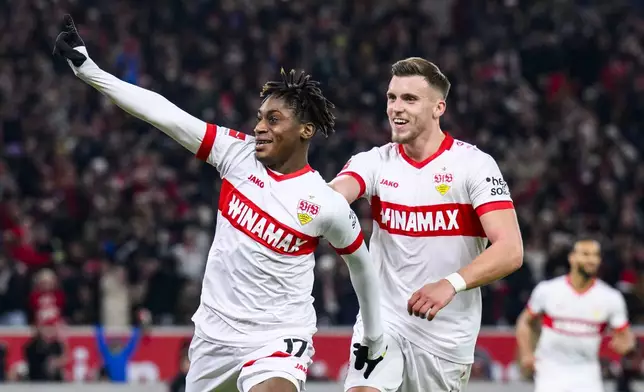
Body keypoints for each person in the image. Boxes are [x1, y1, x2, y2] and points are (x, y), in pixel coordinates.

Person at [53, 15, 386, 392]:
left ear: (305, 131)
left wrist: (374, 336)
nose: (260, 126)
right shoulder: (235, 154)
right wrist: (90, 71)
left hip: (278, 338)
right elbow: (164, 113)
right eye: (260, 117)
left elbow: (362, 267)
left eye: (274, 120)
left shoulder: (325, 203)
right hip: (213, 337)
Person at [329, 57, 524, 392]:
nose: (396, 108)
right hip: (383, 322)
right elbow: (332, 198)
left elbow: (510, 250)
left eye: (409, 99)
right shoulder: (374, 162)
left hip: (446, 338)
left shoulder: (474, 165)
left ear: (438, 108)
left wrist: (451, 283)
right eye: (392, 98)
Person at [515, 238, 636, 392]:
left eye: (595, 255)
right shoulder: (547, 290)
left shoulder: (610, 298)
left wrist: (626, 345)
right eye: (585, 254)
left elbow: (626, 336)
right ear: (572, 257)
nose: (591, 260)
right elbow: (524, 322)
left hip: (588, 374)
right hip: (550, 371)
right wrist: (526, 354)